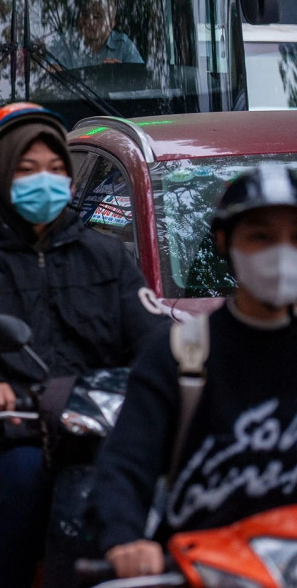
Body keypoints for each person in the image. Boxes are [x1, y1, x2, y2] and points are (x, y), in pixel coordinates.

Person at [0, 102, 162, 588]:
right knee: (27, 488)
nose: (44, 180)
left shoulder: (107, 256)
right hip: (16, 429)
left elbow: (155, 336)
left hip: (102, 425)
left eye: (55, 168)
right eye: (27, 169)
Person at [92, 163, 297, 578]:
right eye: (261, 237)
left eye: (296, 238)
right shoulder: (181, 352)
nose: (281, 253)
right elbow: (125, 466)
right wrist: (124, 539)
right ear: (224, 242)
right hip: (199, 570)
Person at [46, 0, 143, 70]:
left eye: (97, 16)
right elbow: (50, 75)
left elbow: (141, 80)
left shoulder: (123, 45)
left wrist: (122, 74)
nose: (89, 21)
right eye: (85, 14)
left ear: (111, 24)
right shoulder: (63, 42)